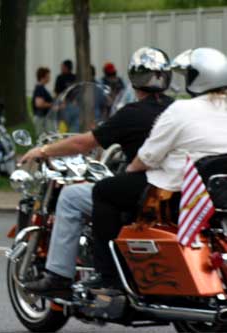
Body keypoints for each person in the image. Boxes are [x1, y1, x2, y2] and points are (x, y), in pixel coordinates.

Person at [19, 47, 174, 297]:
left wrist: (44, 150)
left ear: (134, 77)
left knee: (72, 197)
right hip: (178, 190)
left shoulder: (132, 113)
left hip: (148, 189)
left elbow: (83, 143)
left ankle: (64, 276)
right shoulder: (176, 109)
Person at [92, 47, 227, 289]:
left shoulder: (182, 109)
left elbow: (147, 157)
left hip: (174, 194)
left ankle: (109, 278)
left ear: (196, 79)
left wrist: (129, 171)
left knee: (104, 191)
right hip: (217, 196)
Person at [32, 67, 54, 135]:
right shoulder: (40, 88)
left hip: (43, 118)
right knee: (43, 139)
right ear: (43, 77)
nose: (49, 78)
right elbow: (39, 104)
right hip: (41, 118)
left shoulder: (42, 88)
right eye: (48, 76)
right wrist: (53, 105)